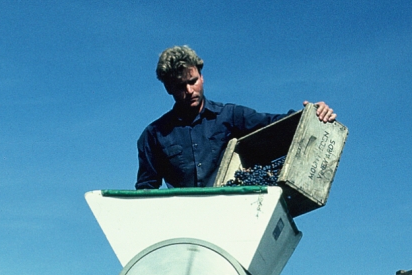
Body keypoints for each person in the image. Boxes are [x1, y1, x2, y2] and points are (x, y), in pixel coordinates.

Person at [136, 46, 336, 189]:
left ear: (201, 76)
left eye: (193, 81)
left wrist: (313, 114)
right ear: (168, 88)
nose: (189, 90)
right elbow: (146, 189)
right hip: (185, 221)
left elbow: (276, 124)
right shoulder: (154, 135)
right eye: (181, 86)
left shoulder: (230, 115)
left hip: (231, 214)